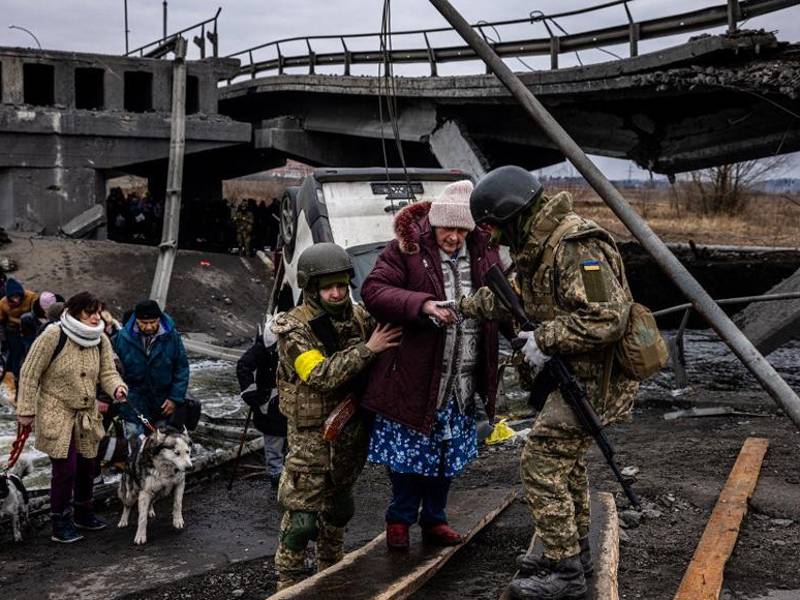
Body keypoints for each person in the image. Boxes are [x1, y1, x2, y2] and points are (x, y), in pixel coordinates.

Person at [462, 166, 639, 600]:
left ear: (514, 216)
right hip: (573, 375)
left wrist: (544, 337)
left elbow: (608, 317)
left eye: (496, 229)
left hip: (597, 381)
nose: (496, 241)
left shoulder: (577, 246)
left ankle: (565, 575)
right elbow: (516, 295)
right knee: (564, 464)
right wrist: (458, 307)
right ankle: (573, 552)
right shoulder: (540, 248)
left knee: (540, 462)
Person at [360, 180, 501, 551]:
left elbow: (502, 296)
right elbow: (374, 290)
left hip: (462, 379)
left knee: (446, 455)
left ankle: (435, 519)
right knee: (408, 456)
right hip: (415, 375)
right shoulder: (405, 250)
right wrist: (422, 305)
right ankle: (399, 519)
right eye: (447, 229)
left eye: (461, 229)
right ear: (434, 223)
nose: (453, 237)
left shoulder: (485, 252)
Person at [270, 242, 401, 590]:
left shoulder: (359, 317)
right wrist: (368, 349)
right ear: (311, 288)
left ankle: (332, 572)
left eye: (342, 285)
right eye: (328, 287)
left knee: (340, 510)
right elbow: (319, 375)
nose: (336, 293)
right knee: (301, 521)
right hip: (311, 440)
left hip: (350, 434)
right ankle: (289, 583)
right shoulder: (293, 330)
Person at [15, 291, 127, 543]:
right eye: (91, 312)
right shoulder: (54, 335)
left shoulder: (100, 338)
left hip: (87, 414)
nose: (96, 317)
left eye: (98, 311)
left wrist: (117, 388)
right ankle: (60, 522)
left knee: (88, 465)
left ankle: (83, 513)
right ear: (76, 312)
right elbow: (30, 372)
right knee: (65, 469)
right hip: (57, 411)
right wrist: (25, 410)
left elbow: (108, 372)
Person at [113, 299, 190, 438]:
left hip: (163, 402)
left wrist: (174, 398)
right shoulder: (121, 339)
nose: (149, 327)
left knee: (164, 442)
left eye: (153, 322)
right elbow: (110, 369)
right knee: (133, 439)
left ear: (159, 319)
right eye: (144, 323)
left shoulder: (172, 337)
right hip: (132, 402)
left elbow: (182, 368)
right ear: (136, 320)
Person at [236, 321, 287, 488]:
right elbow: (244, 365)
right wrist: (250, 392)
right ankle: (276, 479)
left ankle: (289, 478)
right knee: (274, 445)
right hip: (270, 405)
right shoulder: (263, 345)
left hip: (293, 402)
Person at [0, 278, 38, 381]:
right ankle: (15, 376)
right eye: (13, 297)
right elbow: (1, 322)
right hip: (13, 331)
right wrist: (3, 339)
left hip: (29, 329)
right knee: (15, 355)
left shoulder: (31, 297)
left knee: (33, 352)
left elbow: (38, 313)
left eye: (18, 296)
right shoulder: (2, 303)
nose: (16, 300)